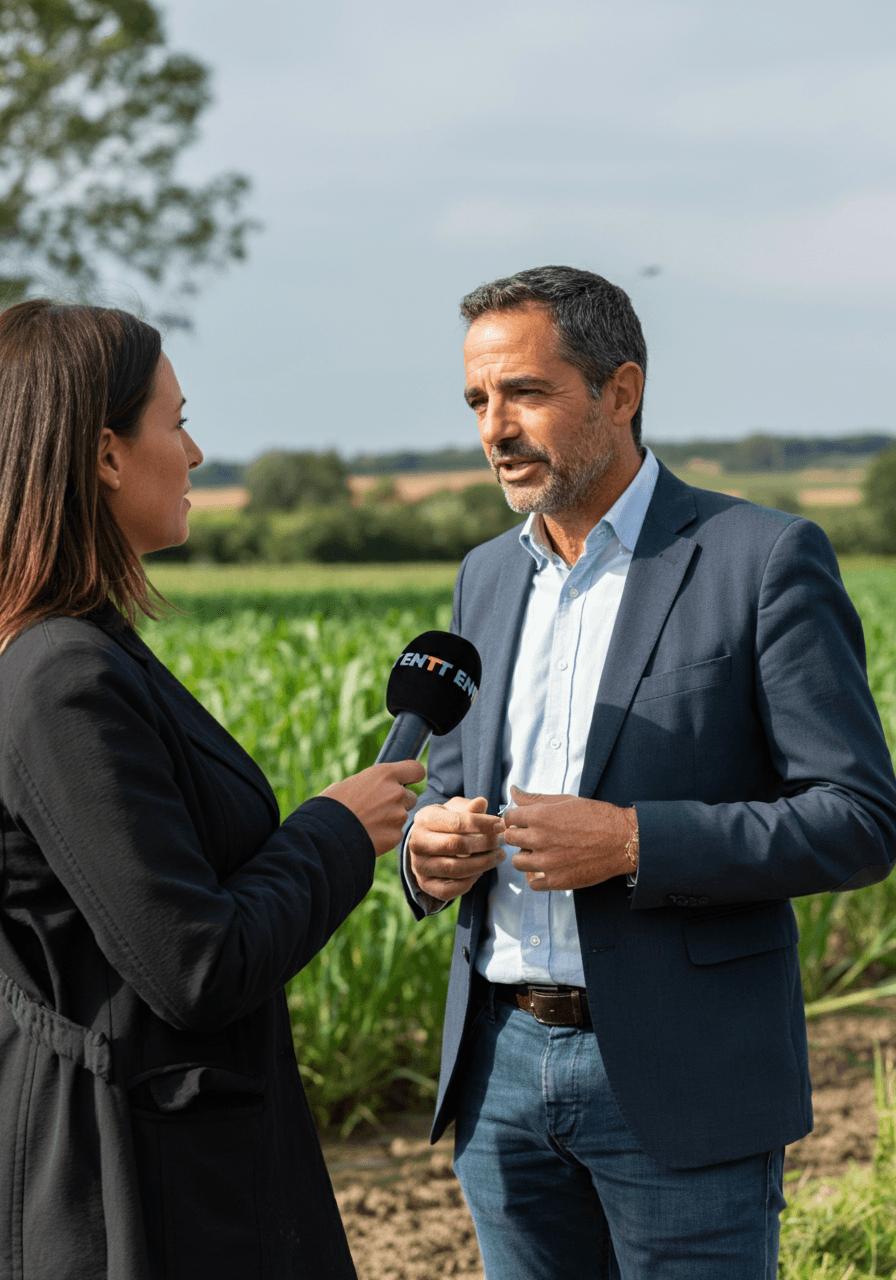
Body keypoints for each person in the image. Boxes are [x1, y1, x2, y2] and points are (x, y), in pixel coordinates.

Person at [402, 265, 896, 1279]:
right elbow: (449, 784)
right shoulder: (483, 576)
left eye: (524, 392)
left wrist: (633, 841)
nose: (495, 428)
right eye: (477, 400)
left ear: (619, 391)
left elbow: (856, 818)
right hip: (498, 1071)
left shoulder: (760, 558)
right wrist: (427, 847)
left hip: (685, 1077)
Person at [0, 299, 424, 1280]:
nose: (194, 453)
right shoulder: (63, 676)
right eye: (177, 422)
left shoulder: (81, 647)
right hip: (134, 1191)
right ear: (105, 455)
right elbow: (196, 964)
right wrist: (336, 830)